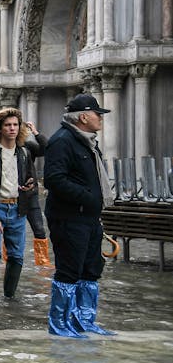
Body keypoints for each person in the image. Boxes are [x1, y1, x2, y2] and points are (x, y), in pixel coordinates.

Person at [43, 94, 115, 338]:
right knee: (69, 269)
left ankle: (84, 320)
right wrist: (87, 197)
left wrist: (95, 203)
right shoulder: (62, 141)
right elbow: (54, 179)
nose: (100, 119)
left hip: (90, 218)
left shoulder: (87, 142)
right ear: (83, 117)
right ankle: (59, 323)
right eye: (97, 114)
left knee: (91, 268)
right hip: (69, 218)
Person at [0, 108, 40, 302]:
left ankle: (9, 297)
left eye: (15, 125)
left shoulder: (23, 153)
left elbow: (31, 179)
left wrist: (28, 186)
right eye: (7, 125)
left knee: (17, 256)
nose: (12, 128)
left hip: (18, 208)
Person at [22, 121, 52, 266]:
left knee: (39, 229)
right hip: (11, 195)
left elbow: (48, 149)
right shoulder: (0, 147)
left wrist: (36, 132)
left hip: (30, 195)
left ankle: (42, 262)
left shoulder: (28, 146)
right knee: (10, 231)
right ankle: (8, 262)